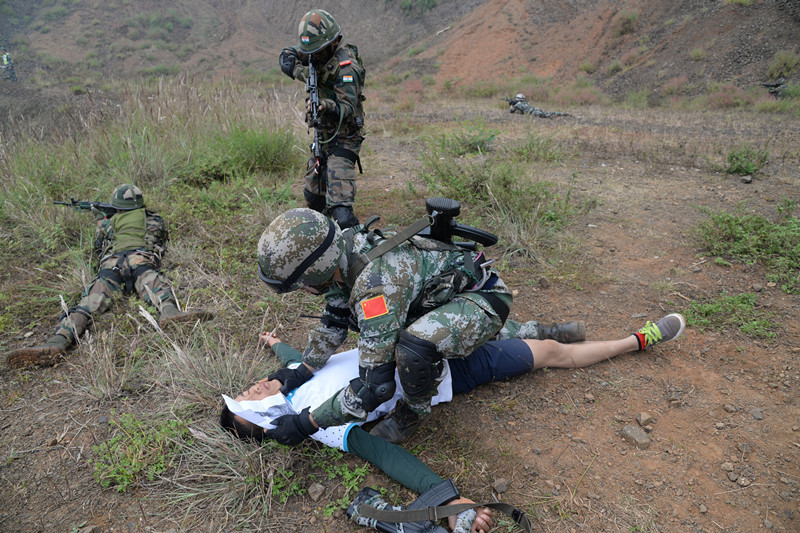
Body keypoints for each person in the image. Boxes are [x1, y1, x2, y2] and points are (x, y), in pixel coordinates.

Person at [220, 313, 686, 532]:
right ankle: (635, 340)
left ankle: (530, 328)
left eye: (245, 389)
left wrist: (275, 343)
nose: (253, 389)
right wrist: (446, 499)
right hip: (442, 371)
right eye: (249, 403)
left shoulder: (297, 376)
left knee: (478, 318)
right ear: (270, 422)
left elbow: (296, 358)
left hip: (416, 337)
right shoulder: (317, 423)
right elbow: (384, 453)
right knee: (548, 354)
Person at [254, 206, 586, 444]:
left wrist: (307, 422)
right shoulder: (345, 253)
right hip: (444, 298)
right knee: (432, 330)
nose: (305, 291)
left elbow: (374, 388)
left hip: (484, 298)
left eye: (301, 285)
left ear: (314, 274)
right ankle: (548, 331)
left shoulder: (374, 290)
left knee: (413, 348)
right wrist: (303, 370)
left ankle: (412, 412)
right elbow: (334, 320)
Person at [6, 184, 213, 368]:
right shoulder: (154, 219)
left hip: (112, 265)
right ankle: (169, 312)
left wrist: (101, 220)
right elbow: (159, 238)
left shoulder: (108, 223)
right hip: (140, 260)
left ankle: (58, 341)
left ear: (116, 206)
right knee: (157, 286)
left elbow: (98, 247)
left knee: (87, 305)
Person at [279, 9, 366, 229]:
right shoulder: (317, 51)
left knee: (341, 213)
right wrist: (292, 65)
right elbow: (290, 54)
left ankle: (355, 247)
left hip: (345, 136)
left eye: (317, 51)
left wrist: (325, 106)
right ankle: (323, 242)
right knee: (313, 198)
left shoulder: (347, 68)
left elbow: (348, 108)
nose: (313, 56)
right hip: (322, 135)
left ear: (333, 43)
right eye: (311, 52)